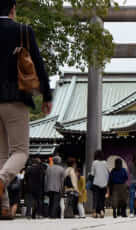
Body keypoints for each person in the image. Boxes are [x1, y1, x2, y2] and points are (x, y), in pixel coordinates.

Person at [0, 0, 52, 219]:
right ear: (12, 9)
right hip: (15, 97)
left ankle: (3, 207)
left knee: (1, 154)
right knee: (20, 151)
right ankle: (1, 182)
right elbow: (37, 64)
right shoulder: (23, 30)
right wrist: (46, 95)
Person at [91, 150, 109, 218]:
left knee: (95, 198)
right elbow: (107, 173)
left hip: (96, 183)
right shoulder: (105, 163)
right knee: (102, 199)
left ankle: (95, 213)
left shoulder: (94, 162)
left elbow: (92, 173)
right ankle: (102, 212)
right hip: (104, 183)